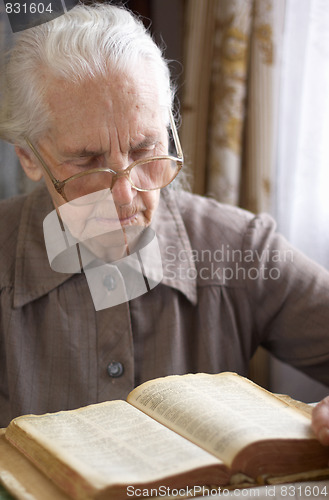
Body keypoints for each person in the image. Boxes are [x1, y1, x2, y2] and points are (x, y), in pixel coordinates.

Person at [1, 3, 329, 430]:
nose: (125, 195)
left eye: (144, 149)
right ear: (28, 157)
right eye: (86, 161)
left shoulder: (240, 247)